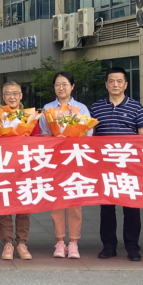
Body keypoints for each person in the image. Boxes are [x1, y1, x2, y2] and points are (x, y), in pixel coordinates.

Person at [89, 67, 143, 261]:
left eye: (119, 81)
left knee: (132, 208)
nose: (115, 84)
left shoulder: (136, 107)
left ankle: (132, 247)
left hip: (129, 166)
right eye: (111, 81)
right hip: (105, 166)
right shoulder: (96, 108)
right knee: (107, 208)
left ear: (126, 85)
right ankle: (108, 246)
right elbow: (92, 136)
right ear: (106, 84)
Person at [41, 71, 92, 259]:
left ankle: (74, 242)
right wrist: (55, 138)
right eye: (57, 84)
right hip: (55, 161)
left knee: (74, 202)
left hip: (74, 160)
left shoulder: (81, 108)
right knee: (57, 202)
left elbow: (89, 134)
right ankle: (60, 242)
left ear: (72, 86)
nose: (61, 88)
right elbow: (44, 133)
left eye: (64, 84)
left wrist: (73, 138)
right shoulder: (47, 108)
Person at [0, 81, 32, 261]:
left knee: (24, 205)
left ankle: (22, 243)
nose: (12, 97)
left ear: (21, 96)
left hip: (24, 166)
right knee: (4, 204)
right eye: (8, 94)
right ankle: (7, 242)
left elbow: (39, 139)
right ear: (3, 97)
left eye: (15, 93)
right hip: (3, 166)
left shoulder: (31, 116)